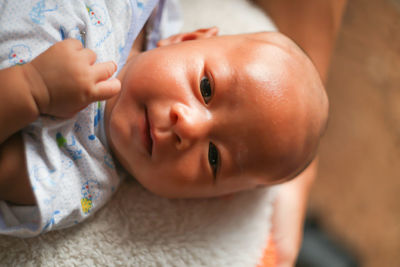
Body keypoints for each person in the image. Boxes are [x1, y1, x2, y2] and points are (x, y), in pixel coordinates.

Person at [0, 0, 328, 248]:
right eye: (206, 88)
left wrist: (31, 88)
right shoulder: (147, 14)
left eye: (214, 157)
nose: (189, 127)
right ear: (185, 39)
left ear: (204, 198)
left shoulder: (71, 179)